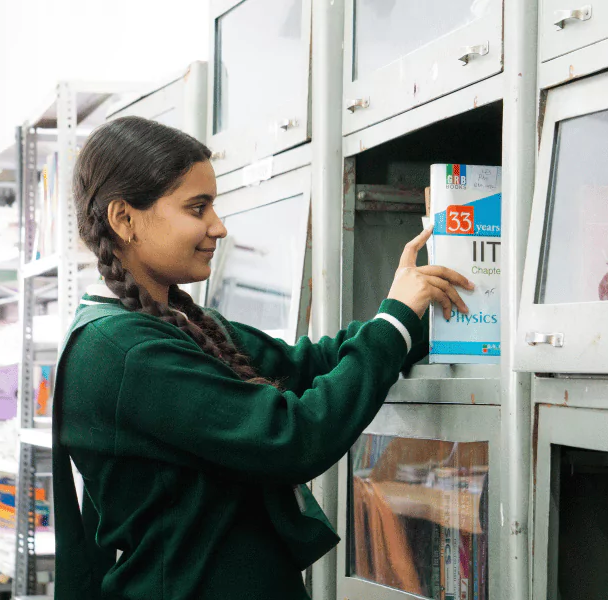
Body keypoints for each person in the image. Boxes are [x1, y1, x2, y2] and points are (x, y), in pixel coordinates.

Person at [52, 116, 473, 600]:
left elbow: (307, 363)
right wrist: (393, 323)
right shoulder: (123, 351)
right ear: (124, 219)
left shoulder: (184, 324)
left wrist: (418, 308)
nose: (219, 226)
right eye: (198, 207)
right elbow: (291, 437)